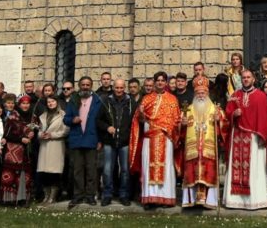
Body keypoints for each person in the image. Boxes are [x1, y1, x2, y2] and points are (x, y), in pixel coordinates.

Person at [129, 70, 181, 210]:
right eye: (157, 80)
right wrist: (140, 113)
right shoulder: (146, 99)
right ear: (154, 82)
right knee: (148, 166)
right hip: (149, 138)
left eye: (162, 80)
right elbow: (139, 120)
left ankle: (166, 198)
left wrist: (170, 128)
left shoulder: (172, 99)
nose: (160, 83)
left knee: (166, 167)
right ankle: (150, 199)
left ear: (166, 82)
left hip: (166, 138)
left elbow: (176, 121)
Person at [223, 68, 267, 210]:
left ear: (253, 79)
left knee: (254, 170)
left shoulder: (261, 96)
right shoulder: (235, 95)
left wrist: (263, 135)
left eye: (248, 77)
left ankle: (254, 201)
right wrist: (233, 113)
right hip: (237, 135)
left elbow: (265, 118)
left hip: (254, 139)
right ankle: (234, 201)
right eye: (243, 77)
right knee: (236, 167)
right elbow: (227, 114)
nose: (245, 79)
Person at [180, 76, 226, 209]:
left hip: (208, 148)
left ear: (207, 93)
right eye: (198, 93)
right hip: (193, 149)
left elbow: (225, 127)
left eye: (203, 92)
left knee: (208, 173)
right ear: (195, 94)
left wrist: (220, 120)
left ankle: (209, 201)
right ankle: (192, 200)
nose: (201, 95)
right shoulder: (187, 109)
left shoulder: (216, 109)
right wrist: (182, 125)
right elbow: (179, 129)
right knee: (192, 173)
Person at [65, 76, 102, 207]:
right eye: (83, 85)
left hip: (91, 139)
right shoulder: (73, 100)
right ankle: (78, 195)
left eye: (88, 85)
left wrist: (100, 140)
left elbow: (101, 122)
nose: (85, 87)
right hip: (76, 139)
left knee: (91, 170)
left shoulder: (97, 100)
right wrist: (72, 120)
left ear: (91, 86)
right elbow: (66, 119)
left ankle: (90, 195)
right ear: (79, 86)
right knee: (77, 170)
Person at [97, 78, 135, 206]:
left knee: (125, 170)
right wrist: (107, 127)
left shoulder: (131, 102)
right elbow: (98, 120)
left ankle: (123, 194)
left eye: (121, 88)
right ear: (113, 88)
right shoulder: (105, 101)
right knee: (108, 169)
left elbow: (134, 122)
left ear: (124, 88)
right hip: (110, 141)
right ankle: (107, 194)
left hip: (125, 141)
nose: (119, 90)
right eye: (117, 88)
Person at [1, 94, 37, 204]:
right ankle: (10, 198)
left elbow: (36, 131)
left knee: (25, 174)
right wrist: (21, 139)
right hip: (14, 150)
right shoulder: (13, 116)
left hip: (27, 151)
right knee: (12, 173)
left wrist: (32, 134)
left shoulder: (33, 117)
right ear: (19, 104)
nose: (25, 106)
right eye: (23, 103)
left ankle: (23, 198)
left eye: (27, 103)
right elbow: (6, 135)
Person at [36, 95, 67, 205]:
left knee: (54, 172)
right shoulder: (43, 116)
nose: (50, 103)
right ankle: (46, 195)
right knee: (44, 172)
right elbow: (39, 129)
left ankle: (53, 197)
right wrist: (41, 134)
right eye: (48, 102)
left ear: (57, 102)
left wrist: (52, 135)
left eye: (52, 101)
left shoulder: (63, 115)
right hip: (44, 146)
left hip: (56, 145)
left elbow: (65, 131)